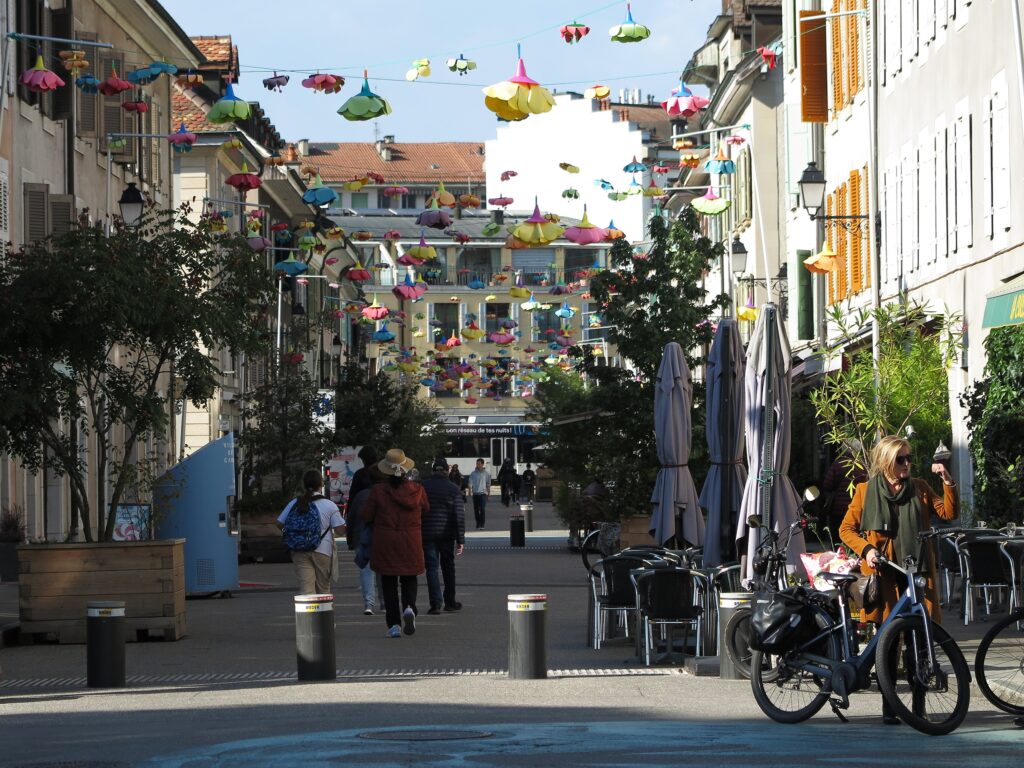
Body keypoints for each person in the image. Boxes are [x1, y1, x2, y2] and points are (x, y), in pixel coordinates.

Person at [839, 435, 957, 724]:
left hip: (917, 573)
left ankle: (918, 705)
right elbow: (846, 529)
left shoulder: (919, 488)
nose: (907, 464)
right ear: (886, 462)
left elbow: (949, 513)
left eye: (909, 458)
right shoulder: (866, 491)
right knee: (888, 643)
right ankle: (889, 707)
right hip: (885, 575)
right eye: (900, 459)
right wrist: (867, 550)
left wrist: (947, 480)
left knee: (919, 639)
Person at [361, 448, 429, 638]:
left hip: (386, 542)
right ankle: (409, 607)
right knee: (409, 577)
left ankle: (394, 625)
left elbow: (366, 515)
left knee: (389, 582)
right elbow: (426, 509)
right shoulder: (417, 490)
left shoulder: (379, 491)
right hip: (411, 540)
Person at [276, 470, 346, 595]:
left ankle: (308, 615)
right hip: (323, 550)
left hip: (299, 550)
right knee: (323, 588)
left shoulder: (295, 503)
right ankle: (323, 614)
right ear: (321, 484)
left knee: (306, 589)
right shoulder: (330, 505)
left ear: (304, 485)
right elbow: (340, 531)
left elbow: (279, 523)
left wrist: (291, 534)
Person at [420, 458, 466, 614]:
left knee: (431, 569)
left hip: (427, 534)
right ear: (447, 470)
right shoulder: (453, 489)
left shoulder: (423, 487)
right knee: (448, 568)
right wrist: (461, 539)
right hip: (447, 534)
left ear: (433, 471)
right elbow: (459, 516)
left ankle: (435, 604)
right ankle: (450, 602)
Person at [345, 463, 386, 615]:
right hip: (382, 536)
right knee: (383, 570)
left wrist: (350, 540)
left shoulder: (360, 496)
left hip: (361, 536)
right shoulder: (386, 493)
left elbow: (351, 518)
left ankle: (368, 604)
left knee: (366, 570)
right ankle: (384, 603)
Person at [820, 440, 867, 540]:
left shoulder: (838, 465)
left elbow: (827, 484)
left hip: (838, 509)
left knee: (838, 536)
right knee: (855, 536)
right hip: (858, 507)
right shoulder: (862, 466)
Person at [468, 458, 490, 529]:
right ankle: (478, 522)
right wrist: (469, 490)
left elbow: (488, 484)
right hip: (475, 494)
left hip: (483, 494)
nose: (478, 465)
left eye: (479, 464)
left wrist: (489, 494)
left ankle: (482, 524)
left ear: (482, 464)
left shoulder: (486, 474)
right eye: (477, 463)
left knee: (482, 509)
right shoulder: (473, 473)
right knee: (476, 510)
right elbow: (470, 482)